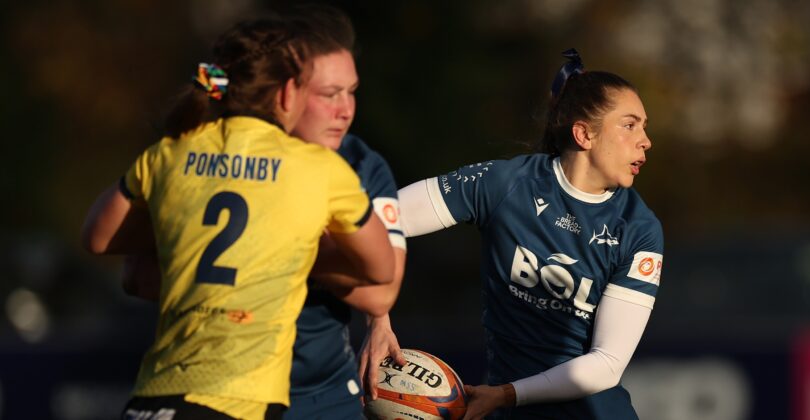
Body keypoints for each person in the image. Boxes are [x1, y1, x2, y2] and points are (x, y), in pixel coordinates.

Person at [81, 16, 395, 420]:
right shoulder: (317, 168)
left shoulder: (171, 150)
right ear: (286, 93)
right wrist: (288, 248)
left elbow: (99, 239)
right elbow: (382, 268)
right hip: (238, 399)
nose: (344, 108)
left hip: (153, 395)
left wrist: (178, 228)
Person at [361, 49, 664, 419]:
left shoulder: (639, 228)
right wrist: (378, 318)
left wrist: (506, 395)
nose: (646, 140)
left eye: (644, 127)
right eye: (630, 125)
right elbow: (377, 222)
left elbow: (608, 364)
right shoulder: (504, 185)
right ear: (584, 134)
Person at [281, 7, 407, 420]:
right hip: (230, 388)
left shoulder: (362, 163)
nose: (346, 109)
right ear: (285, 92)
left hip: (325, 392)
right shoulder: (237, 156)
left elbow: (381, 292)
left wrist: (286, 246)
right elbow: (131, 269)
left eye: (351, 91)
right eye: (329, 94)